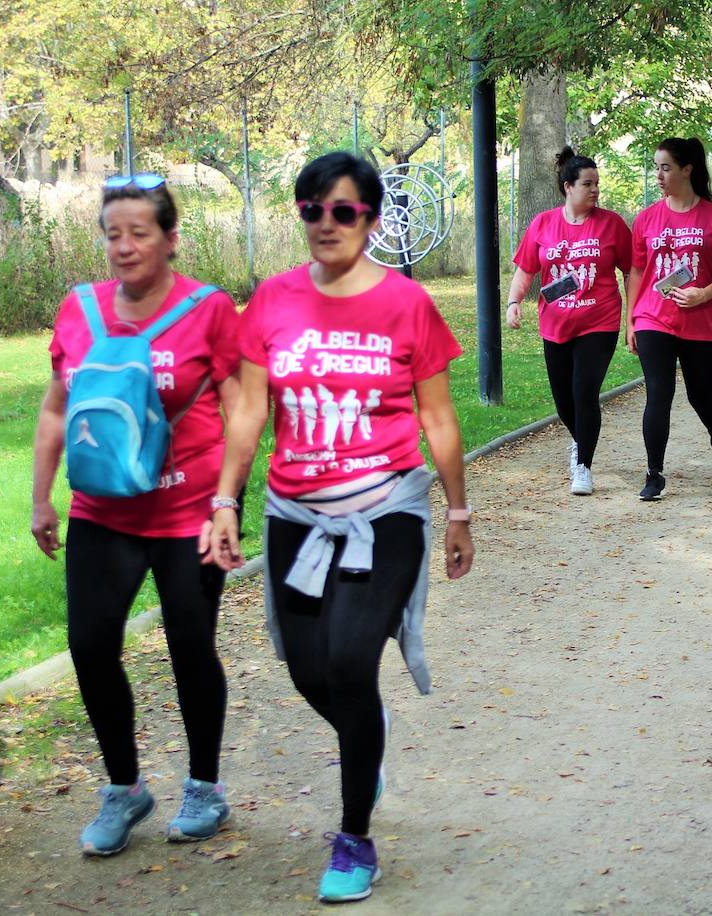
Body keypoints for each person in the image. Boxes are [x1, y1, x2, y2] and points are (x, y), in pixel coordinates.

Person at [205, 152, 474, 903]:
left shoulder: (406, 305)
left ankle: (355, 836)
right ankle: (366, 729)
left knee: (350, 662)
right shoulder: (272, 301)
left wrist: (457, 511)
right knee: (306, 667)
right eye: (312, 210)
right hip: (296, 513)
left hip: (384, 509)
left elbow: (439, 417)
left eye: (343, 211)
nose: (326, 223)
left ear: (371, 221)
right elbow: (250, 410)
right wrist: (225, 500)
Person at [31, 174, 241, 856]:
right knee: (90, 647)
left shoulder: (208, 309)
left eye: (139, 234)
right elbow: (57, 406)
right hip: (102, 511)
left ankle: (205, 787)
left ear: (171, 239)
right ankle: (125, 788)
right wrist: (42, 496)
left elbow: (241, 412)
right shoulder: (79, 309)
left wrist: (226, 501)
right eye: (112, 233)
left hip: (189, 515)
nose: (123, 247)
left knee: (189, 648)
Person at [625, 137, 712, 500]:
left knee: (702, 396)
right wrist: (630, 320)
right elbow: (635, 271)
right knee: (659, 394)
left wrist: (703, 293)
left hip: (701, 321)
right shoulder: (646, 217)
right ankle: (654, 473)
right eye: (656, 167)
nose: (658, 175)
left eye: (666, 168)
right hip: (653, 317)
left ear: (687, 170)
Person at [507, 147, 633, 496]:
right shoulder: (543, 223)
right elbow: (525, 270)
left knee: (584, 391)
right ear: (568, 187)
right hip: (556, 324)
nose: (595, 190)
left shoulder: (612, 224)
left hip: (600, 318)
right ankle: (581, 439)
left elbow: (631, 271)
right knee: (563, 400)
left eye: (597, 184)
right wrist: (513, 302)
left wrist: (633, 319)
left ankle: (583, 465)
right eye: (587, 184)